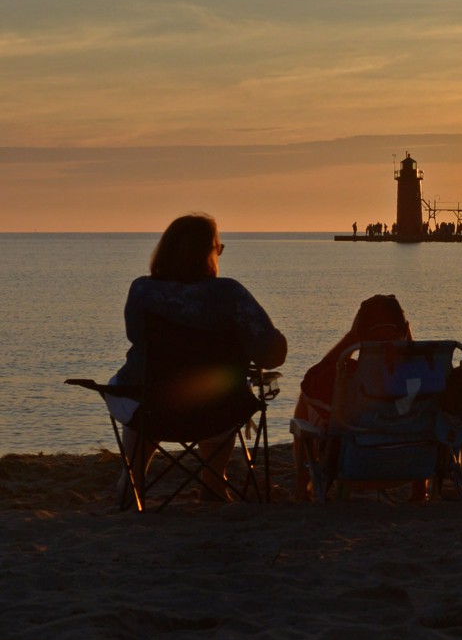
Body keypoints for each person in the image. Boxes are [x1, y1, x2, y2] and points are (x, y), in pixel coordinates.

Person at [109, 213, 287, 502]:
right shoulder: (230, 294)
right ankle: (214, 481)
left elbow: (136, 337)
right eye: (218, 247)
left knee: (141, 391)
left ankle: (132, 480)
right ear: (208, 252)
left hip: (154, 407)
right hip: (219, 411)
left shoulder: (142, 290)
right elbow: (272, 355)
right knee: (215, 390)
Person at [291, 294, 413, 498]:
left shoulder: (347, 379)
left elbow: (311, 379)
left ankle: (302, 491)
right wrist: (408, 342)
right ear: (404, 329)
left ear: (360, 332)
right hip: (411, 465)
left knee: (306, 399)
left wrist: (351, 338)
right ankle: (419, 494)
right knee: (425, 410)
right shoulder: (422, 376)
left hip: (356, 466)